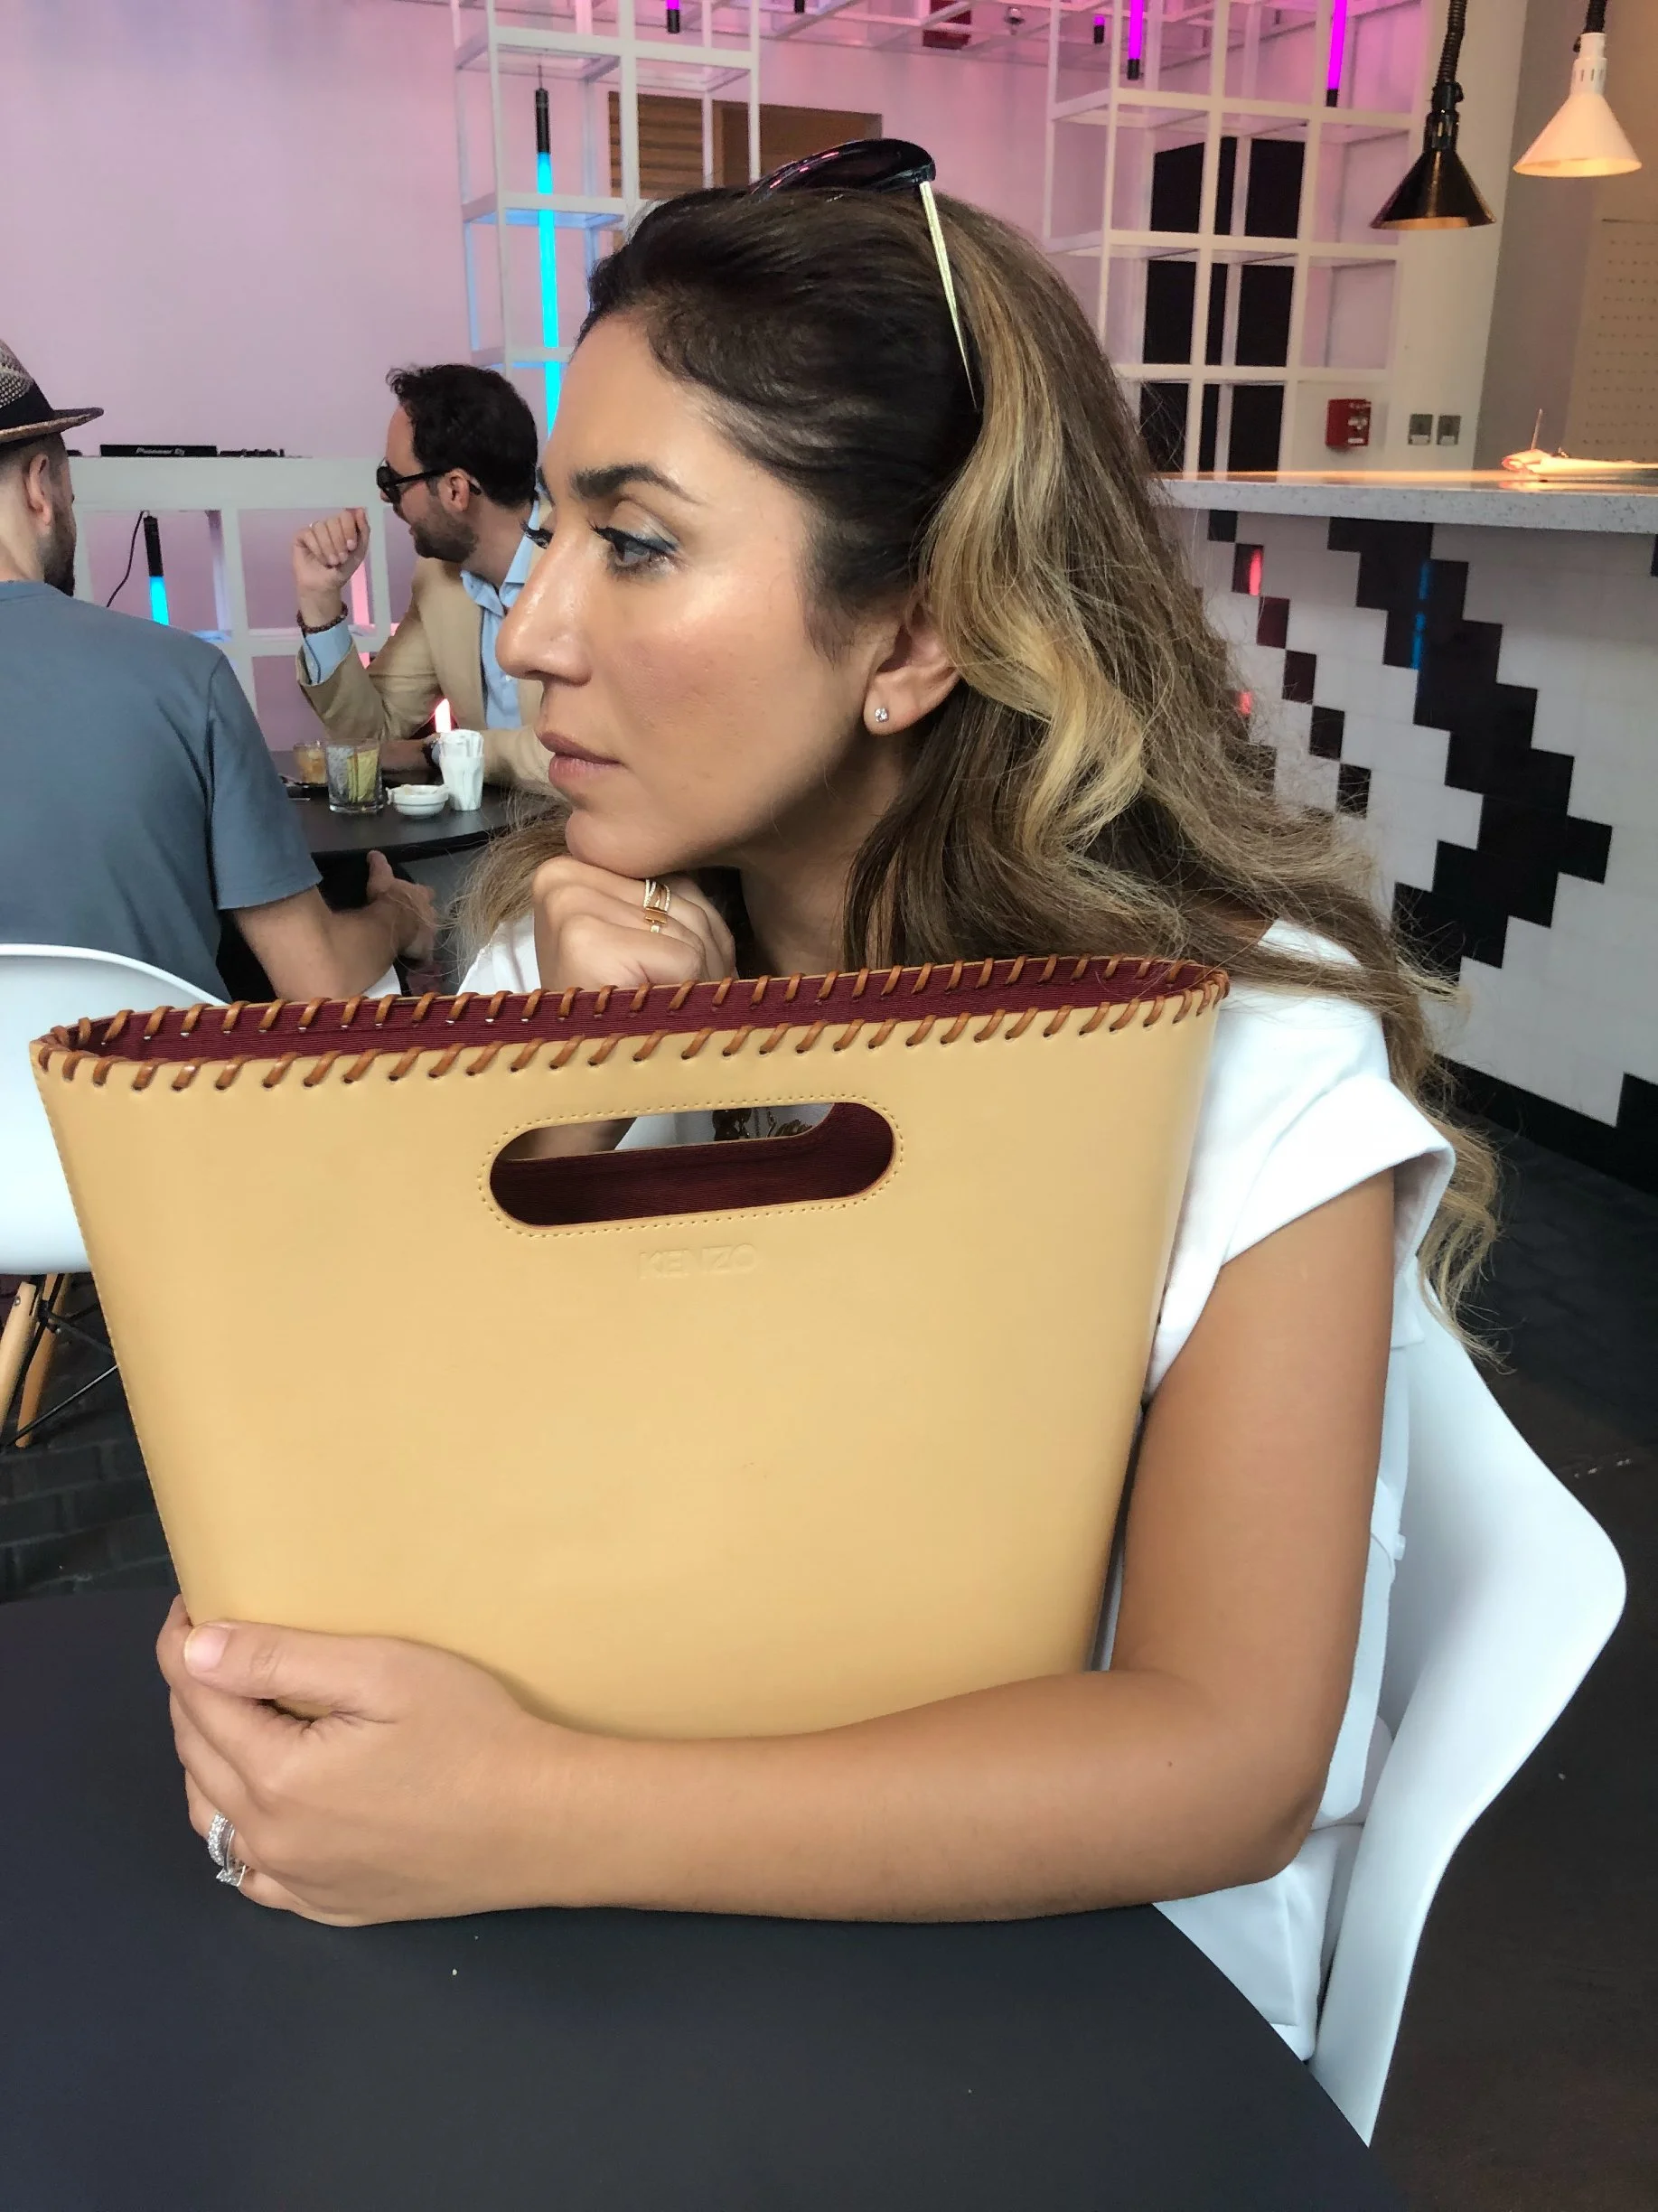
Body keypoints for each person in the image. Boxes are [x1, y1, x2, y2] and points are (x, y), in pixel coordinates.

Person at [159, 160, 1498, 2061]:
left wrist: (520, 1811)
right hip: (604, 1956)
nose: (532, 636)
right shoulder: (572, 974)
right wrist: (574, 1099)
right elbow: (381, 1474)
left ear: (913, 634)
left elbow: (1219, 1764)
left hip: (1063, 2020)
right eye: (550, 535)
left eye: (633, 542)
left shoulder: (1234, 1062)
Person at [0, 342, 436, 1004]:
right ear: (40, 487)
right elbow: (317, 982)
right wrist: (399, 915)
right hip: (155, 1099)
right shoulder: (183, 677)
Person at [293, 364, 552, 793]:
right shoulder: (441, 579)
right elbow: (375, 736)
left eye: (393, 481)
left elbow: (589, 752)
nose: (383, 496)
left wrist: (438, 751)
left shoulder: (587, 566)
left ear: (455, 490)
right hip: (491, 838)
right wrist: (320, 601)